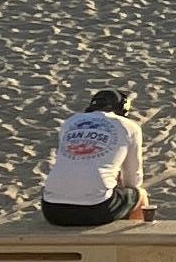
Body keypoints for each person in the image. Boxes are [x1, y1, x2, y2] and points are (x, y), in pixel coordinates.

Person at [40, 85, 148, 228]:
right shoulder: (129, 126)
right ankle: (133, 243)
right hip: (96, 208)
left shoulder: (71, 122)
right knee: (139, 195)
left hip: (52, 209)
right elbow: (133, 179)